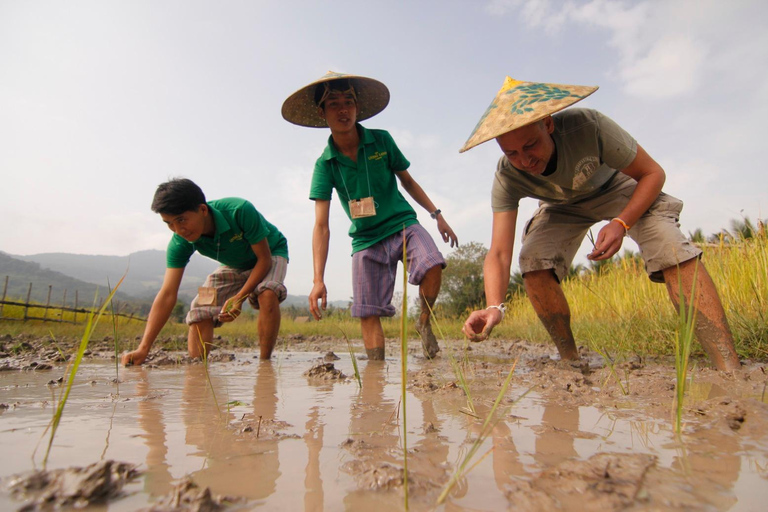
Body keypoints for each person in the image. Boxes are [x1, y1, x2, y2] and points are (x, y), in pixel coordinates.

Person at [460, 77, 741, 371]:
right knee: (533, 260)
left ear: (548, 124)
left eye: (530, 145)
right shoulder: (508, 176)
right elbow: (499, 253)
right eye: (512, 153)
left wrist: (622, 222)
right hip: (561, 206)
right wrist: (494, 306)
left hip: (615, 187)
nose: (525, 160)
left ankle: (729, 368)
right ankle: (569, 360)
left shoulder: (588, 125)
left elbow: (653, 174)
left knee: (669, 247)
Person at [281, 71, 458, 360]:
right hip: (365, 240)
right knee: (367, 311)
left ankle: (424, 321)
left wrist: (436, 214)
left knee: (432, 261)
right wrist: (317, 279)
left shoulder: (381, 141)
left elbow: (408, 182)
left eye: (348, 101)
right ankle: (374, 377)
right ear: (322, 112)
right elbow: (321, 226)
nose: (343, 109)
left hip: (402, 224)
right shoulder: (324, 166)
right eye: (334, 103)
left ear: (357, 108)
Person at [122, 178, 289, 365]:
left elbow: (264, 260)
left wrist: (240, 297)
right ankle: (197, 370)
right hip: (233, 264)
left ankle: (264, 365)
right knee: (200, 308)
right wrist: (143, 348)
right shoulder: (179, 241)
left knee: (267, 293)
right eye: (169, 223)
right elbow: (168, 293)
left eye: (181, 220)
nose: (178, 230)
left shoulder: (239, 210)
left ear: (202, 210)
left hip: (271, 253)